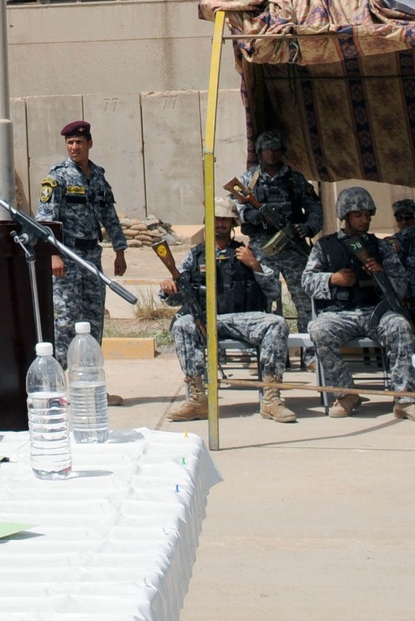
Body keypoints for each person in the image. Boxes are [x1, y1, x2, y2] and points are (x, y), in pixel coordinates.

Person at [164, 198, 296, 423]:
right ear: (208, 222)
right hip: (206, 319)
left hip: (244, 318)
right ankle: (197, 398)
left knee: (277, 323)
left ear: (233, 224)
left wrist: (254, 265)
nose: (221, 224)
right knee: (182, 324)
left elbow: (273, 291)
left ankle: (271, 397)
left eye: (225, 219)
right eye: (216, 219)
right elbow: (178, 295)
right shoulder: (195, 256)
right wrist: (169, 289)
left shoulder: (249, 252)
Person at [302, 186, 415, 420]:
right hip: (340, 313)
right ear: (346, 215)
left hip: (376, 312)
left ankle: (404, 398)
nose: (365, 220)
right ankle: (346, 394)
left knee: (400, 327)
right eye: (358, 215)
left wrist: (382, 273)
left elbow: (402, 284)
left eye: (367, 215)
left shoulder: (381, 246)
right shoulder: (325, 246)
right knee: (318, 330)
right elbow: (307, 282)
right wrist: (332, 279)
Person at [35, 120, 127, 363]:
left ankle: (91, 379)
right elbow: (45, 221)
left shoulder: (98, 176)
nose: (74, 147)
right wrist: (53, 255)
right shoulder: (57, 177)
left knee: (94, 320)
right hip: (67, 258)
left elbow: (110, 215)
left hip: (92, 258)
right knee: (66, 321)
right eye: (70, 142)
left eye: (79, 142)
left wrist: (120, 251)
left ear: (89, 144)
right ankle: (62, 384)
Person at [232, 129, 322, 332]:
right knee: (266, 299)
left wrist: (308, 227)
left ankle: (308, 351)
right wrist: (249, 215)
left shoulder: (295, 180)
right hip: (263, 248)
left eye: (276, 149)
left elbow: (315, 208)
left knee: (305, 300)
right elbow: (233, 204)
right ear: (259, 151)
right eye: (267, 149)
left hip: (293, 247)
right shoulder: (249, 180)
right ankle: (272, 347)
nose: (272, 153)